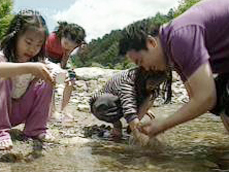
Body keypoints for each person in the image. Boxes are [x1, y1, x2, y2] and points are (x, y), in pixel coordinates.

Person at [118, 0, 229, 138]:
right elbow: (195, 98)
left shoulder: (179, 36)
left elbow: (206, 98)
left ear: (151, 42)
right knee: (220, 101)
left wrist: (162, 125)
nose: (145, 69)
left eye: (141, 62)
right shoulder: (172, 51)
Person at [0, 9, 54, 150]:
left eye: (38, 45)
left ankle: (35, 129)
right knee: (3, 76)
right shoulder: (3, 56)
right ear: (15, 36)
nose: (32, 49)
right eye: (28, 42)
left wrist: (61, 75)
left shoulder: (38, 61)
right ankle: (1, 132)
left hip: (17, 111)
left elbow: (54, 69)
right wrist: (29, 68)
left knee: (46, 80)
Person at [89, 67, 172, 142]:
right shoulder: (127, 82)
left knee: (151, 95)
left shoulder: (151, 86)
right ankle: (117, 125)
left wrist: (145, 111)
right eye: (152, 84)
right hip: (102, 104)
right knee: (107, 103)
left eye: (157, 85)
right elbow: (129, 111)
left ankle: (131, 130)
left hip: (124, 101)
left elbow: (149, 98)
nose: (154, 87)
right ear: (144, 78)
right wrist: (140, 139)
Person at [45, 21, 86, 113]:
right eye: (66, 43)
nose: (67, 47)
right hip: (47, 60)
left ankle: (64, 110)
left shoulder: (71, 47)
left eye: (72, 47)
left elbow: (65, 58)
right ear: (62, 35)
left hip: (59, 62)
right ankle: (51, 110)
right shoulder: (51, 38)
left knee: (71, 78)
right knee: (51, 79)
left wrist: (62, 70)